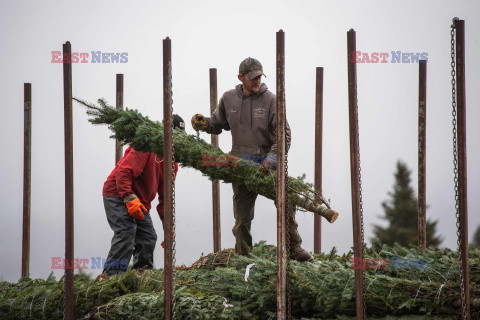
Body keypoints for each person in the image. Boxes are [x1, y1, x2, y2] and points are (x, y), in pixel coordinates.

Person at [191, 57, 314, 262]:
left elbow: (283, 134)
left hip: (267, 165)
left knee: (285, 203)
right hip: (240, 166)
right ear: (241, 78)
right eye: (252, 77)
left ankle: (294, 248)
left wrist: (273, 157)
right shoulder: (228, 98)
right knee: (242, 218)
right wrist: (204, 124)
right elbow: (218, 123)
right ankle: (243, 255)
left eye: (259, 77)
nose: (257, 81)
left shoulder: (271, 101)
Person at [100, 114, 185, 275]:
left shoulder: (171, 162)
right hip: (117, 194)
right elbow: (123, 172)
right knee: (127, 231)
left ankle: (141, 276)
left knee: (148, 237)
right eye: (173, 136)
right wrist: (129, 197)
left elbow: (166, 197)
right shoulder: (145, 147)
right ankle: (111, 277)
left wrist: (168, 227)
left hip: (139, 200)